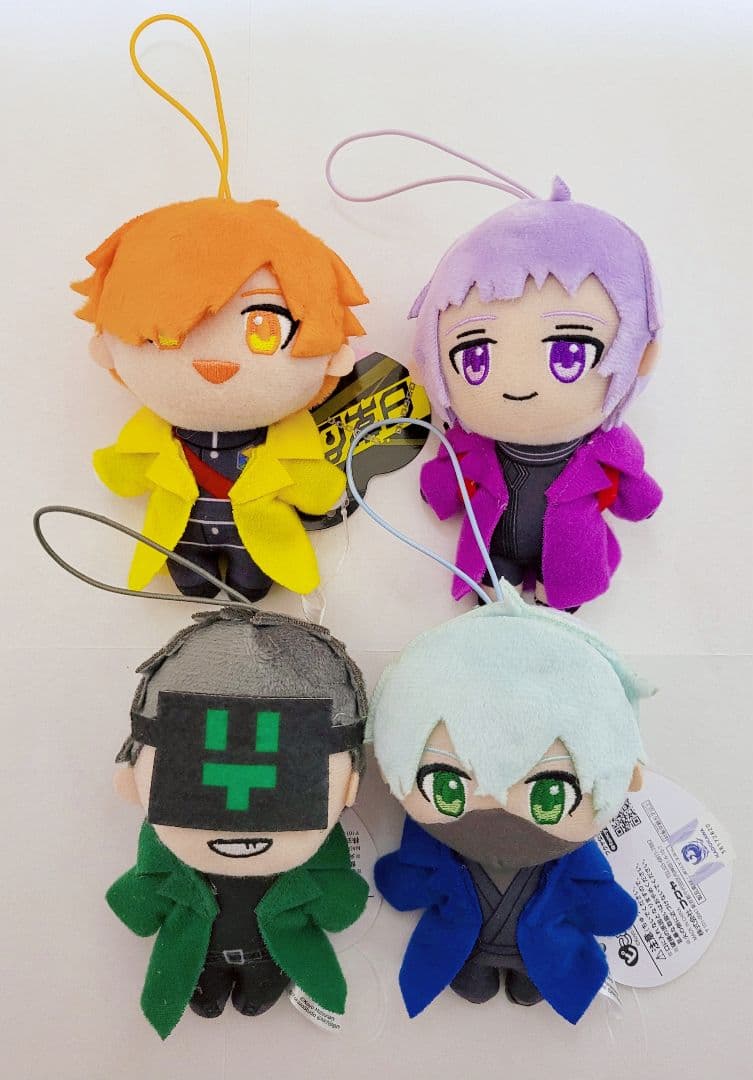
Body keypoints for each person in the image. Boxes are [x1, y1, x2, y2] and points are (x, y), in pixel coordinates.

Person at [370, 588, 650, 1023]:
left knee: (534, 982)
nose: (497, 817)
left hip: (544, 953)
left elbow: (602, 901)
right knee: (471, 982)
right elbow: (407, 882)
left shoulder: (572, 860)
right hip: (469, 948)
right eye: (447, 789)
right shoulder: (439, 851)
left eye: (550, 796)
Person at [74, 197, 368, 600]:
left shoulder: (288, 442)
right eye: (170, 335)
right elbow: (127, 471)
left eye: (264, 329)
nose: (214, 362)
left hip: (258, 543)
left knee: (252, 588)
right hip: (180, 538)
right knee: (191, 584)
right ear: (107, 349)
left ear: (333, 357)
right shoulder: (151, 436)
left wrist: (320, 489)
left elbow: (311, 486)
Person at [108, 607, 368, 1038]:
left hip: (270, 956)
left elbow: (339, 904)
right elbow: (137, 901)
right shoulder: (163, 854)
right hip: (200, 957)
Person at [414, 179, 662, 609]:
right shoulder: (471, 444)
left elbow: (636, 490)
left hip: (570, 555)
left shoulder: (605, 447)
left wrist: (641, 500)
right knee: (495, 603)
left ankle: (553, 600)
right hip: (494, 551)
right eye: (475, 357)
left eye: (568, 353)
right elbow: (444, 479)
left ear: (640, 356)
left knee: (558, 608)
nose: (518, 385)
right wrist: (438, 489)